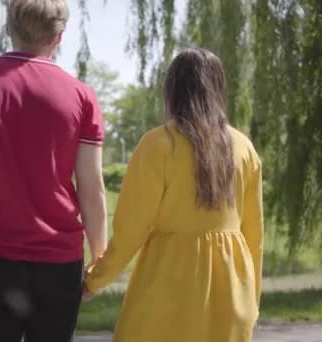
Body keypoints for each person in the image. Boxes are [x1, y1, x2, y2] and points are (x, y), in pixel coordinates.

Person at [0, 0, 108, 341]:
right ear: (59, 37)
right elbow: (92, 187)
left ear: (8, 29)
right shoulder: (82, 97)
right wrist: (99, 256)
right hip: (58, 265)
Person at [83, 48, 264, 342]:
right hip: (231, 291)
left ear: (173, 91)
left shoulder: (158, 145)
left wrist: (94, 280)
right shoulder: (244, 149)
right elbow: (254, 238)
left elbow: (131, 230)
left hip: (167, 286)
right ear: (218, 89)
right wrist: (251, 300)